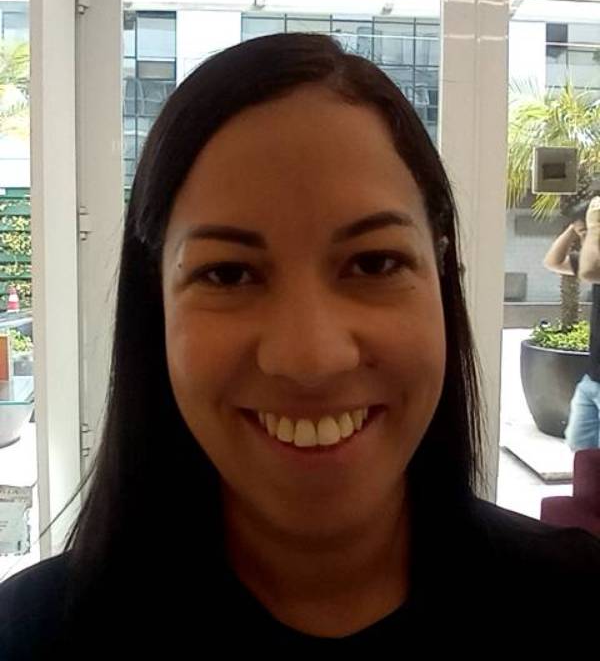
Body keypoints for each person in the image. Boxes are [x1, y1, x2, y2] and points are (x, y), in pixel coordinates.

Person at [1, 33, 599, 657]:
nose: (312, 359)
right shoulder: (30, 639)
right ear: (156, 304)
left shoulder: (576, 609)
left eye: (373, 263)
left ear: (441, 275)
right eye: (228, 274)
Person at [543, 198, 600, 448]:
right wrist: (574, 228)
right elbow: (553, 262)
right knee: (580, 446)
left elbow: (589, 271)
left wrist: (593, 227)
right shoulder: (593, 259)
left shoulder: (594, 265)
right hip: (593, 379)